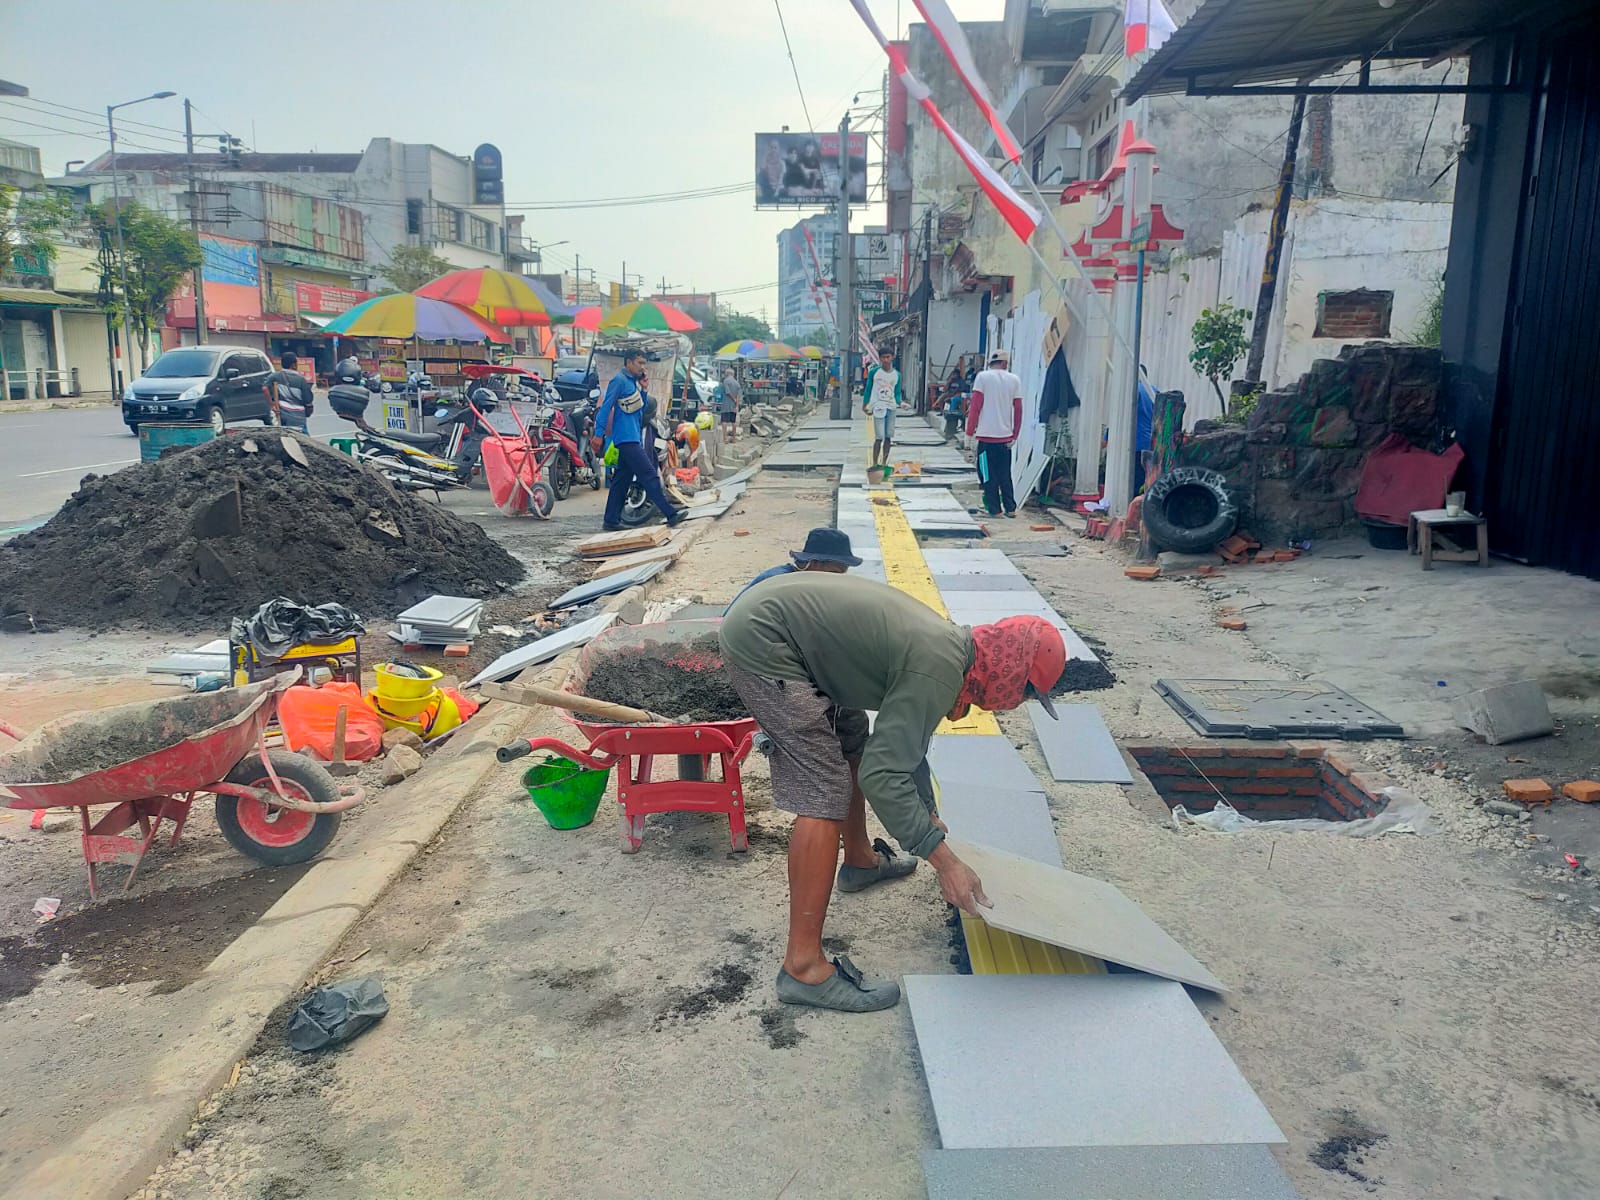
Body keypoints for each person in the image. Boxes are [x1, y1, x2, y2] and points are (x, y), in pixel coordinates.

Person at [721, 574, 1067, 1012]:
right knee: (824, 790)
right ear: (1011, 672)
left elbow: (905, 740)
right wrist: (944, 861)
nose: (1017, 702)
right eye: (1026, 693)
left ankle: (861, 862)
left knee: (852, 735)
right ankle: (802, 968)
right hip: (765, 643)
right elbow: (882, 777)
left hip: (791, 636)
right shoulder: (936, 667)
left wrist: (926, 810)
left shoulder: (951, 652)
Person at [593, 349, 684, 531]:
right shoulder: (619, 381)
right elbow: (605, 407)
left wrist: (643, 389)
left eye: (644, 363)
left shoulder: (633, 383)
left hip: (633, 436)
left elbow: (639, 411)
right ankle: (670, 514)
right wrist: (598, 433)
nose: (643, 367)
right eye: (639, 363)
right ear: (628, 362)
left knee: (621, 480)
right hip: (625, 438)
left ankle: (610, 520)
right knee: (649, 474)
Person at [725, 527, 861, 612]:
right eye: (835, 573)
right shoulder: (783, 583)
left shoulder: (800, 581)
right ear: (815, 563)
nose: (838, 581)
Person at [966, 350, 1025, 518]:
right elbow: (1018, 409)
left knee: (986, 474)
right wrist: (1015, 435)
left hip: (985, 438)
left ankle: (995, 509)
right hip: (1005, 438)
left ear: (991, 363)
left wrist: (969, 434)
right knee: (1005, 474)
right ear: (1005, 363)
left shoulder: (982, 378)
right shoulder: (1014, 380)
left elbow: (975, 408)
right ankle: (1010, 508)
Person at [861, 347, 903, 468]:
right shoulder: (874, 373)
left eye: (888, 357)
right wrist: (865, 405)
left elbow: (897, 393)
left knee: (888, 436)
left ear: (892, 357)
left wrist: (901, 403)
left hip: (891, 407)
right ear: (879, 359)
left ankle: (884, 462)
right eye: (883, 357)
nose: (886, 360)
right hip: (878, 407)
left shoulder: (897, 375)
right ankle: (875, 463)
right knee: (879, 437)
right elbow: (868, 390)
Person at [270, 352, 315, 432]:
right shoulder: (300, 379)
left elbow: (264, 387)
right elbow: (308, 399)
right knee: (304, 439)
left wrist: (272, 404)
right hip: (298, 417)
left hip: (283, 415)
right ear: (294, 365)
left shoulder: (275, 376)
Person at [1135, 366, 1156, 496]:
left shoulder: (1132, 391)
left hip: (1134, 443)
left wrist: (1107, 437)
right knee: (1145, 478)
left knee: (1134, 480)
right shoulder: (1153, 391)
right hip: (1151, 443)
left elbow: (1121, 414)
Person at [718, 370, 742, 442]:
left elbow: (727, 392)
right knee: (733, 421)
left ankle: (725, 438)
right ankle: (734, 439)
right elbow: (738, 396)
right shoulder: (737, 383)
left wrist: (733, 399)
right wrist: (737, 405)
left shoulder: (726, 381)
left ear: (727, 374)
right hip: (733, 406)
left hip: (726, 404)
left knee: (724, 421)